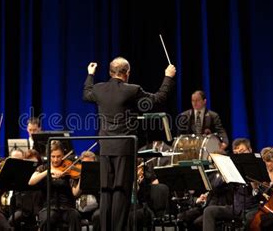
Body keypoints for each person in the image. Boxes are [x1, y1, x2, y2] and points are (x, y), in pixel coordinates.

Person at [83, 57, 176, 230]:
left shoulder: (99, 88)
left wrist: (90, 74)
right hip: (124, 147)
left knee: (106, 191)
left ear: (110, 72)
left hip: (104, 147)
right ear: (127, 73)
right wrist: (168, 77)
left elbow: (86, 93)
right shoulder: (132, 90)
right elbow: (158, 99)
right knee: (121, 192)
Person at [202, 138, 260, 231]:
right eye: (236, 154)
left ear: (250, 150)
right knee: (209, 211)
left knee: (250, 218)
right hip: (236, 208)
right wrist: (225, 173)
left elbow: (259, 192)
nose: (239, 156)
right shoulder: (234, 168)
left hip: (251, 208)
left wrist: (254, 185)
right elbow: (215, 186)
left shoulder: (257, 167)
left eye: (242, 151)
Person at [28, 140, 81, 231]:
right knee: (47, 219)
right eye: (53, 156)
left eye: (59, 156)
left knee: (75, 216)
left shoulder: (69, 168)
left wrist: (81, 178)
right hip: (48, 207)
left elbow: (75, 193)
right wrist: (48, 171)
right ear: (48, 156)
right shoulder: (43, 168)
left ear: (63, 155)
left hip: (67, 207)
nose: (56, 160)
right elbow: (31, 182)